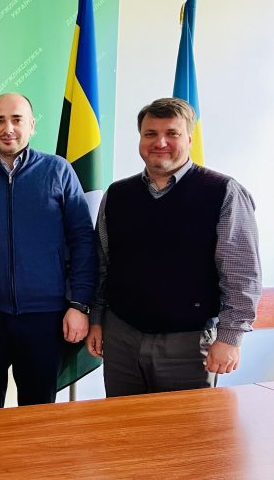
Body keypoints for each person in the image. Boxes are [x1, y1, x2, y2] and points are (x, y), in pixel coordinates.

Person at [85, 98, 262, 395]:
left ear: (189, 139)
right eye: (150, 134)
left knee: (185, 424)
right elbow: (103, 264)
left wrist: (230, 338)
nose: (160, 142)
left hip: (188, 343)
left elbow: (241, 273)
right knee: (125, 421)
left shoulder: (223, 192)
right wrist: (96, 320)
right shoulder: (117, 194)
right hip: (121, 338)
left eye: (172, 133)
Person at [0, 92, 96, 410]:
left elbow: (83, 240)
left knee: (38, 414)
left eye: (17, 119)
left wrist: (80, 304)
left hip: (46, 317)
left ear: (32, 125)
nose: (8, 128)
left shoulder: (59, 171)